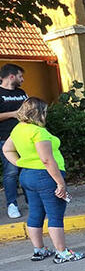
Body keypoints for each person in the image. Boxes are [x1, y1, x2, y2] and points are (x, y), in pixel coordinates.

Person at [2, 98, 84, 263]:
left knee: (35, 212)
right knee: (55, 214)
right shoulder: (39, 132)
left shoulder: (18, 129)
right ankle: (62, 252)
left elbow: (6, 149)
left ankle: (39, 249)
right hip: (45, 176)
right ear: (39, 112)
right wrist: (60, 182)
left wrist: (21, 163)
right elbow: (47, 160)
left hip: (27, 175)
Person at [0, 64, 28, 219]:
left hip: (25, 137)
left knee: (28, 169)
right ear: (11, 76)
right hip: (6, 139)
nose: (22, 79)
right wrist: (14, 114)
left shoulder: (21, 93)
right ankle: (12, 204)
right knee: (11, 172)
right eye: (20, 76)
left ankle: (32, 201)